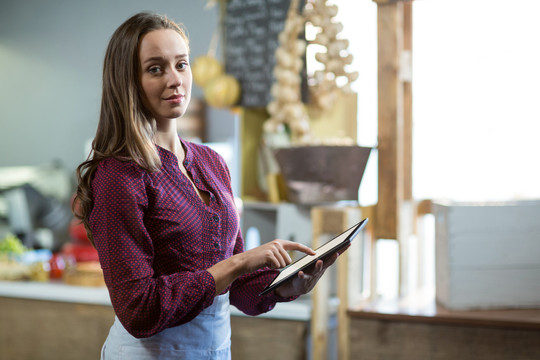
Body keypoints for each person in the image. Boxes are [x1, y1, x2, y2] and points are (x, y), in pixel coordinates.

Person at [74, 11, 346, 360]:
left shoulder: (211, 161)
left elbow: (240, 291)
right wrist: (240, 264)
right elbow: (138, 310)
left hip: (215, 350)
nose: (175, 80)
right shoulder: (119, 175)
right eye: (156, 69)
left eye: (182, 65)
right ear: (127, 81)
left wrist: (284, 285)